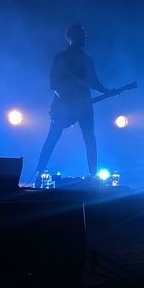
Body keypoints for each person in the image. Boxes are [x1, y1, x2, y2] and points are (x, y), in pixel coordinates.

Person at [33, 24, 118, 187]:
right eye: (82, 34)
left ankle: (93, 175)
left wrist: (108, 91)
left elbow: (94, 83)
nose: (85, 37)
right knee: (52, 139)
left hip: (84, 106)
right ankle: (38, 173)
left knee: (90, 139)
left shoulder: (88, 60)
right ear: (71, 37)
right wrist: (67, 102)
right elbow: (54, 83)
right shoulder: (61, 58)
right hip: (62, 107)